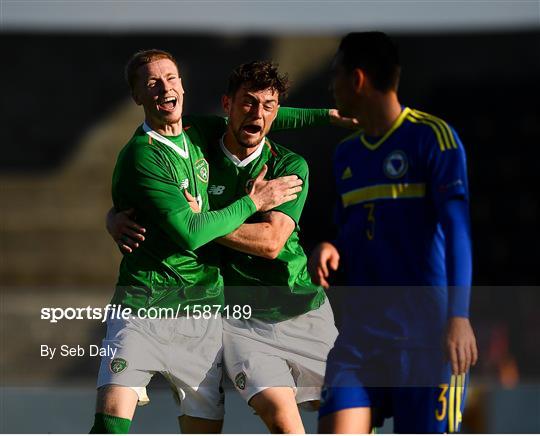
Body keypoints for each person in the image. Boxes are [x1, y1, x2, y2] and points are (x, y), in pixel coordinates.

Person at [108, 61, 353, 433]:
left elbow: (271, 243)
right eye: (247, 103)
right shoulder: (198, 140)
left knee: (347, 417)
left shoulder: (288, 166)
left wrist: (203, 221)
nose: (257, 113)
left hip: (302, 309)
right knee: (282, 419)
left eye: (268, 106)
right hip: (241, 323)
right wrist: (115, 216)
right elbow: (148, 168)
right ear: (226, 105)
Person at [309, 32, 478, 433]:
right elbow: (350, 229)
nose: (330, 84)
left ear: (358, 80)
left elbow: (457, 229)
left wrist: (459, 317)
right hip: (361, 338)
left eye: (335, 73)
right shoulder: (345, 154)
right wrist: (332, 246)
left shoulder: (432, 138)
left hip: (427, 339)